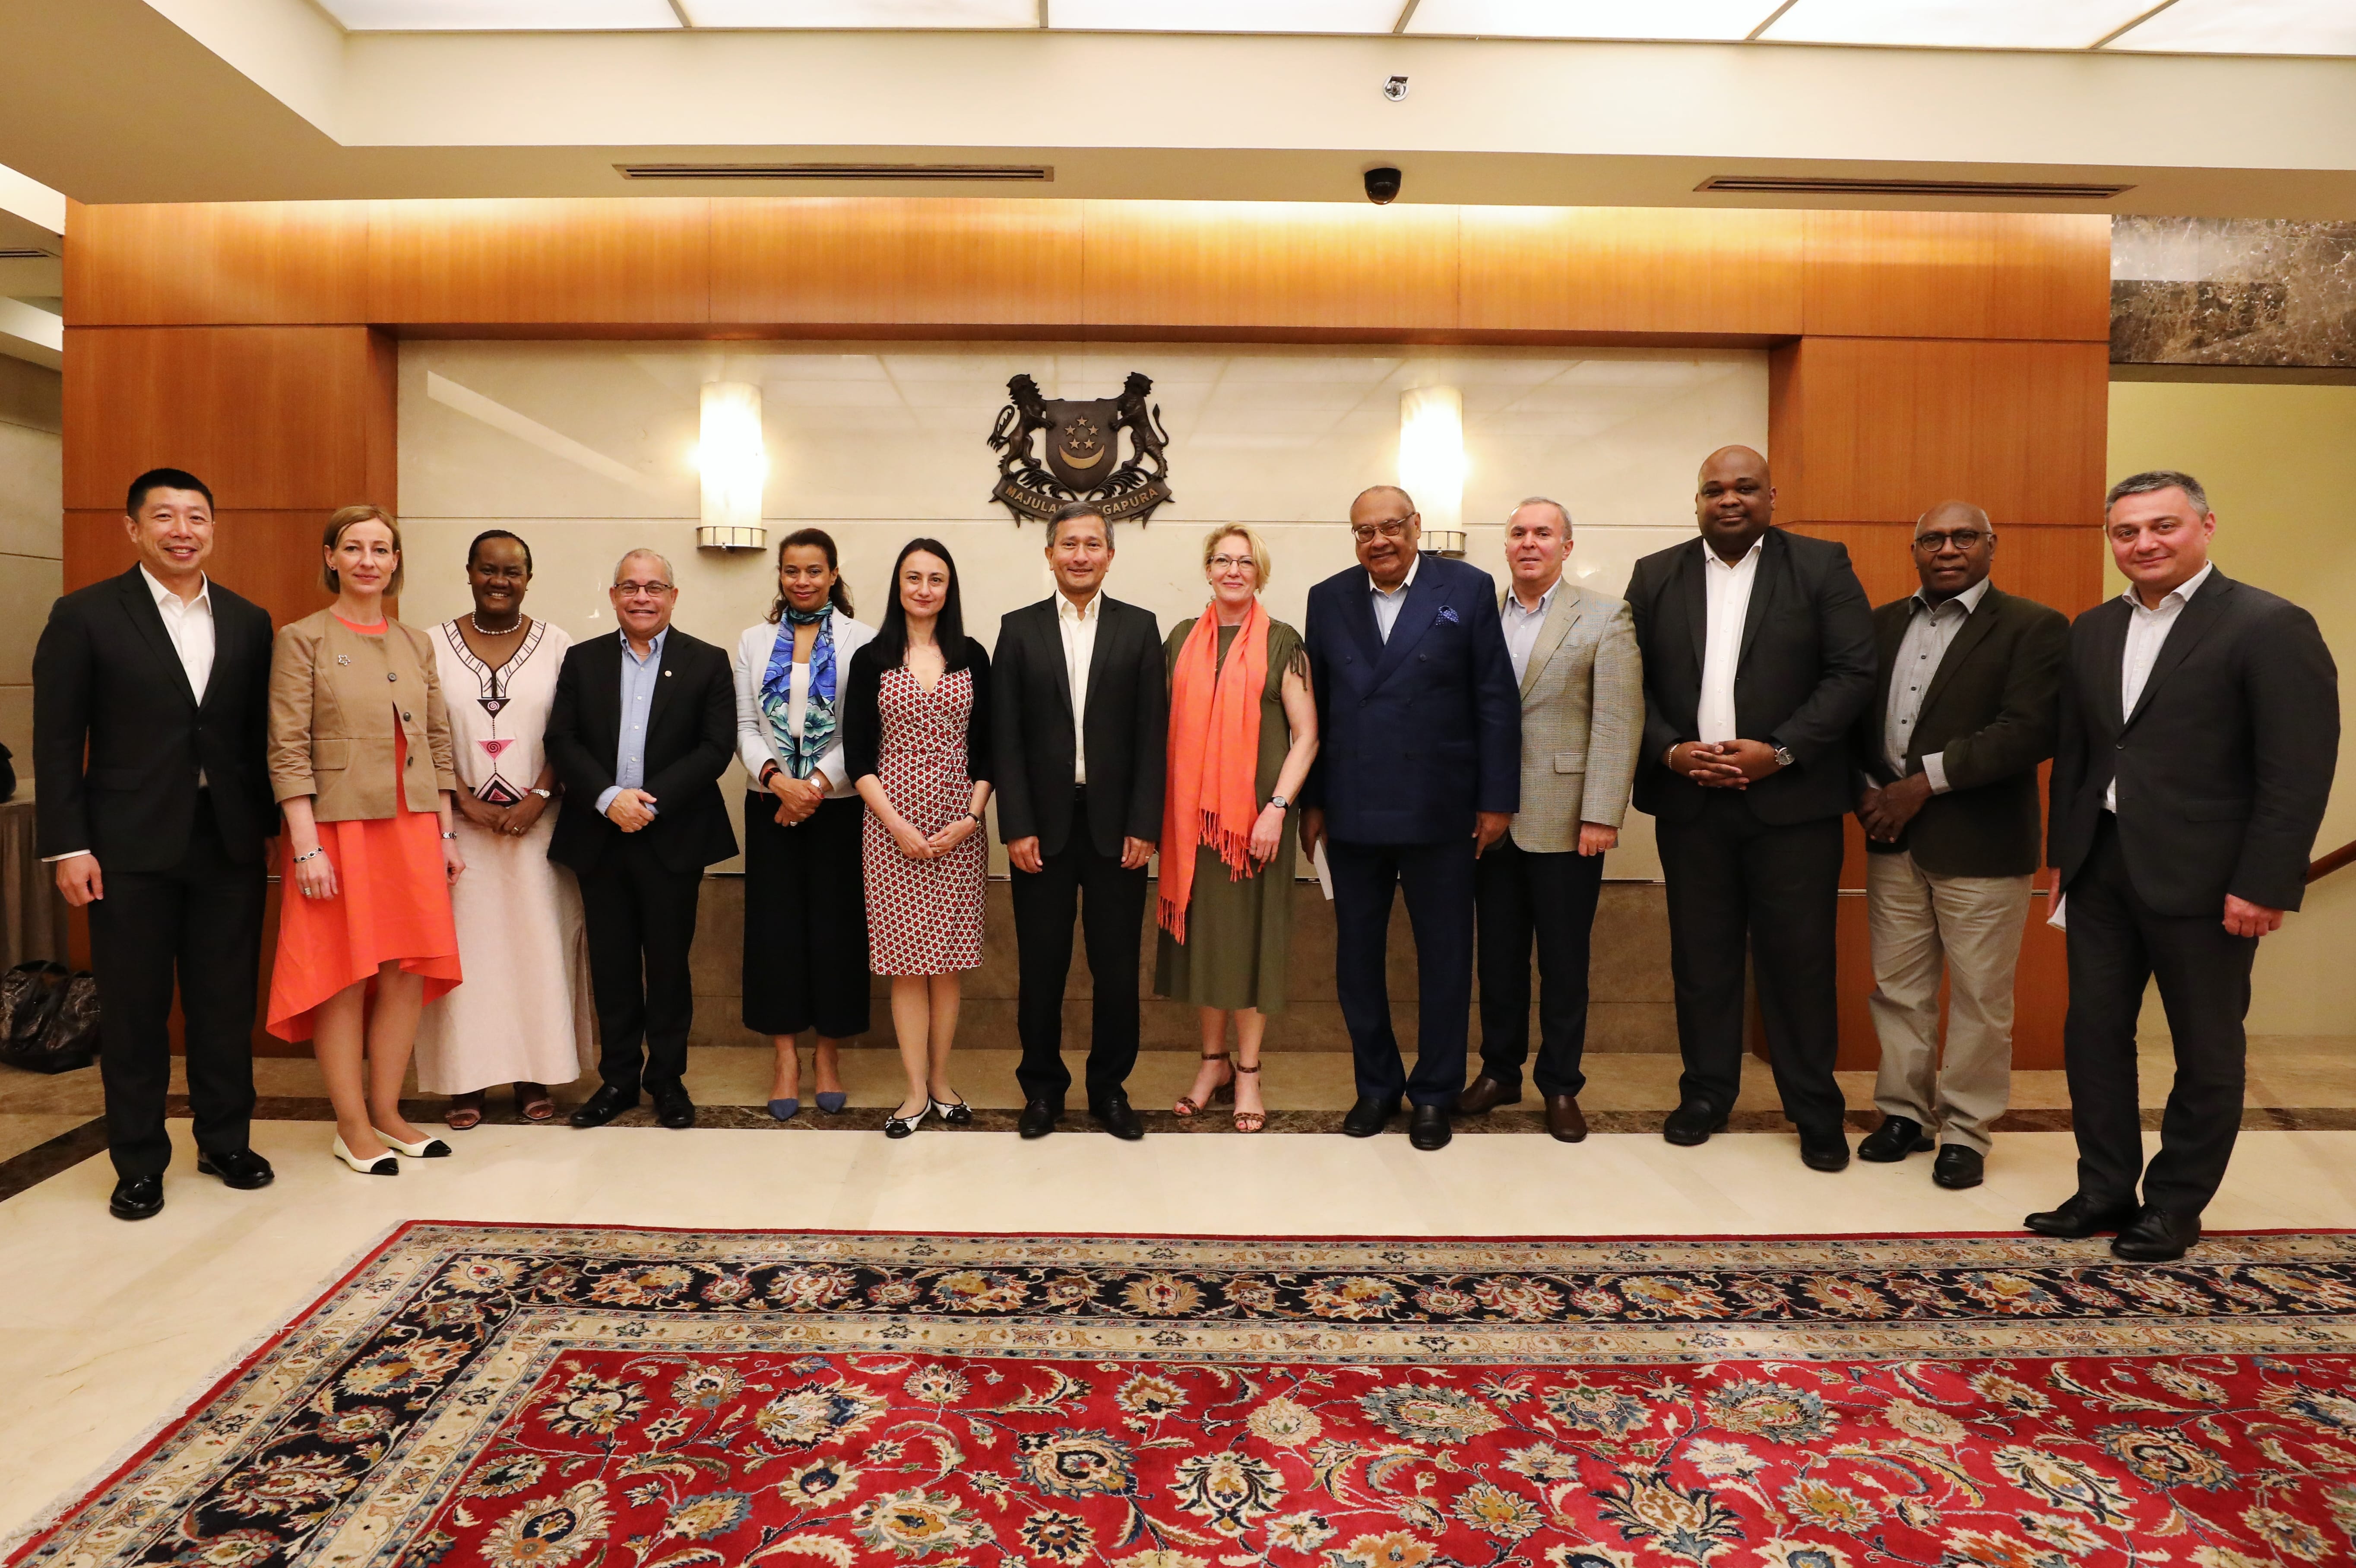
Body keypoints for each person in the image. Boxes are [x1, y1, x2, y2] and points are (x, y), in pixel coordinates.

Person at [2030, 470, 2337, 1262]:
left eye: (2162, 527)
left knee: (2206, 1047)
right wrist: (2065, 858)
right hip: (2101, 870)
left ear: (2206, 526)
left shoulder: (2269, 625)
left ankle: (2173, 1205)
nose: (2144, 544)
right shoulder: (2093, 629)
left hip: (2209, 881)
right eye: (2127, 532)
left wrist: (2266, 881)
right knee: (2093, 1034)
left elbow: (2296, 770)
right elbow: (2080, 755)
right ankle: (2103, 1188)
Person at [33, 468, 278, 1220]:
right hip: (125, 847)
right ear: (133, 527)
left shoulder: (247, 619)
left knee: (223, 1003)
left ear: (213, 528)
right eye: (165, 517)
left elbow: (252, 739)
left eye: (196, 517)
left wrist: (273, 833)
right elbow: (55, 739)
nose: (183, 530)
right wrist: (68, 846)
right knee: (136, 1011)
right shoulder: (85, 615)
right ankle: (138, 1161)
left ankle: (225, 1140)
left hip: (226, 843)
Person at [1625, 446, 1875, 1172]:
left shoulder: (1822, 566)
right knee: (1701, 962)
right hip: (1691, 804)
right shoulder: (1656, 575)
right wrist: (1671, 751)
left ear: (1773, 493)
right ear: (1696, 501)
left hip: (1791, 806)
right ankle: (1705, 1094)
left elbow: (1853, 670)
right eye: (1713, 490)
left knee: (1798, 962)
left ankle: (1813, 1109)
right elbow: (1624, 678)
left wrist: (1783, 750)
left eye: (1744, 488)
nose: (1728, 500)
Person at [1852, 503, 2067, 1190]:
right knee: (1899, 990)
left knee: (1979, 996)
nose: (1949, 548)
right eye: (1934, 538)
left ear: (1991, 546)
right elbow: (1853, 718)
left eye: (1964, 536)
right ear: (1914, 549)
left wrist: (1921, 785)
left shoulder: (2034, 627)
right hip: (1890, 838)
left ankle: (1967, 1130)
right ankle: (1904, 1115)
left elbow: (2026, 731)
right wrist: (1868, 790)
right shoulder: (1880, 624)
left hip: (1981, 844)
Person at [1300, 485, 1520, 1152]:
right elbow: (1320, 710)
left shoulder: (1469, 587)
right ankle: (1375, 1087)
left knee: (1447, 957)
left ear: (1417, 527)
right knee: (1357, 959)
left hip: (1441, 807)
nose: (1379, 541)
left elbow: (1495, 700)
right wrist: (1314, 803)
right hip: (1354, 807)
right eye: (1365, 531)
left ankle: (1433, 1093)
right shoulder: (1327, 597)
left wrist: (1496, 801)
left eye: (1391, 527)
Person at [266, 505, 465, 1175]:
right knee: (343, 975)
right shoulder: (303, 639)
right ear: (331, 557)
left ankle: (388, 1111)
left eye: (382, 549)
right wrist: (305, 844)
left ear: (395, 561)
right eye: (354, 548)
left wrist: (444, 832)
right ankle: (350, 1124)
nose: (368, 561)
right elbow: (287, 748)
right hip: (337, 830)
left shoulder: (417, 643)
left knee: (404, 972)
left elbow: (437, 742)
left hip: (411, 826)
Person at [1460, 497, 1641, 1143]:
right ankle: (1500, 1072)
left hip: (1568, 821)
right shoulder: (1478, 615)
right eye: (1517, 534)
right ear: (1505, 548)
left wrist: (1601, 814)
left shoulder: (1604, 615)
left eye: (1543, 533)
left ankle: (1561, 1083)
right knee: (1498, 960)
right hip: (1487, 819)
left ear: (1566, 547)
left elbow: (1618, 721)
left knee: (1563, 962)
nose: (1528, 543)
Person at [991, 501, 1166, 1142]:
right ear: (1049, 555)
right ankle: (1042, 1090)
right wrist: (1016, 824)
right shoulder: (1018, 630)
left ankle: (1109, 1089)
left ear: (1111, 555)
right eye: (1069, 544)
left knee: (1117, 968)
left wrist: (1146, 823)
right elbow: (1004, 738)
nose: (1081, 555)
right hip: (1043, 825)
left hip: (1119, 826)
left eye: (1094, 543)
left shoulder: (1140, 628)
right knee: (1042, 966)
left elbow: (1154, 737)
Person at [546, 549, 738, 1132]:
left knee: (669, 965)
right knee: (612, 964)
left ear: (673, 597)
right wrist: (610, 799)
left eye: (654, 587)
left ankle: (668, 1080)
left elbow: (715, 747)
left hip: (671, 835)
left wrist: (647, 801)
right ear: (613, 596)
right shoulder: (583, 661)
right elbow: (562, 739)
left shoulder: (706, 662)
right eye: (630, 587)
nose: (642, 597)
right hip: (599, 835)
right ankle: (618, 1079)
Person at [415, 529, 592, 1129]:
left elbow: (572, 730)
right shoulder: (431, 645)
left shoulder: (558, 644)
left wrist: (540, 795)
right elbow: (425, 734)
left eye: (512, 571)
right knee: (470, 958)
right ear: (468, 572)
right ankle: (466, 1084)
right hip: (459, 831)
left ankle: (533, 1075)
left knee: (536, 950)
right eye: (488, 569)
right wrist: (462, 799)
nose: (500, 580)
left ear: (528, 578)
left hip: (539, 829)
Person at [1156, 525, 1320, 1134]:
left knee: (1251, 946)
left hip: (1256, 828)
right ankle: (1212, 1065)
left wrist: (1277, 807)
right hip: (1192, 825)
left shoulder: (1282, 643)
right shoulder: (1178, 640)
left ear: (1260, 572)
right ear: (1206, 569)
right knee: (1206, 946)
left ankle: (1248, 1071)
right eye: (1222, 560)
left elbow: (1307, 735)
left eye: (1245, 561)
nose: (1233, 570)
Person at [844, 538, 993, 1137]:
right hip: (889, 828)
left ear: (949, 588)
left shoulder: (973, 656)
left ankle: (941, 1081)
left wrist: (973, 817)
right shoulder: (872, 657)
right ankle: (912, 1091)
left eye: (936, 579)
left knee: (948, 964)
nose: (925, 589)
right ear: (898, 586)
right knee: (907, 965)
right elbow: (858, 754)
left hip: (961, 825)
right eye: (914, 578)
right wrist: (897, 824)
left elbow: (990, 745)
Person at [734, 528, 876, 1119]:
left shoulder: (863, 641)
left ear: (834, 575)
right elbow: (743, 724)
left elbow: (861, 730)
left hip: (839, 807)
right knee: (775, 934)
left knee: (835, 932)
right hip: (770, 805)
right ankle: (786, 1059)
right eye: (792, 571)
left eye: (814, 571)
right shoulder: (752, 641)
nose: (802, 581)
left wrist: (814, 786)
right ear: (781, 577)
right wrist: (778, 781)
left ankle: (828, 1057)